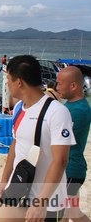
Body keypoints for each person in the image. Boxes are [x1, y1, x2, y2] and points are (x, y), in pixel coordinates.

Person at [0, 55, 76, 221]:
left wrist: (41, 202)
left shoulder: (57, 112)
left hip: (48, 198)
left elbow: (60, 160)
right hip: (19, 188)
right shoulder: (18, 108)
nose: (7, 84)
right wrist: (5, 180)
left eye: (9, 79)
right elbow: (15, 145)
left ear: (19, 82)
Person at [56, 66, 91, 222]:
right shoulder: (72, 106)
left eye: (59, 84)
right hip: (72, 169)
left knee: (64, 214)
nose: (57, 87)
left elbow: (56, 139)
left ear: (73, 86)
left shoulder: (78, 111)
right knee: (73, 214)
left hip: (71, 170)